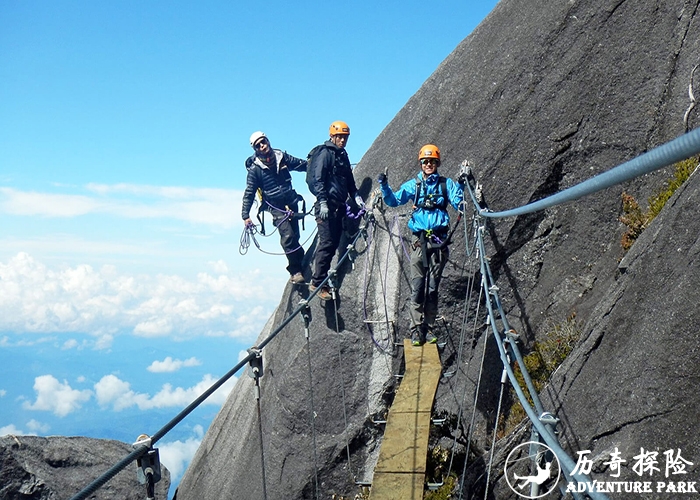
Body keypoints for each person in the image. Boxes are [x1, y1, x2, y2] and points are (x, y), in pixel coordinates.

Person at [378, 144, 466, 346]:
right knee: (417, 287)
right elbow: (394, 201)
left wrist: (460, 200)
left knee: (433, 289)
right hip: (419, 242)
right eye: (425, 161)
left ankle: (429, 327)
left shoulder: (446, 184)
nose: (429, 164)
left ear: (437, 163)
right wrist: (384, 185)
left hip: (439, 241)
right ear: (421, 163)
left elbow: (456, 199)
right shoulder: (414, 185)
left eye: (432, 161)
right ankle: (417, 329)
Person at [306, 120, 364, 301]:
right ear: (332, 136)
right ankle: (317, 282)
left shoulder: (343, 155)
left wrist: (355, 195)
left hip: (338, 207)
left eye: (345, 137)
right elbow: (318, 179)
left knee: (333, 244)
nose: (343, 140)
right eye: (340, 137)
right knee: (327, 244)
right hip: (326, 207)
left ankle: (323, 279)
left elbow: (348, 179)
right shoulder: (326, 154)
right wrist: (322, 201)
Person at [242, 131, 307, 284]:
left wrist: (320, 166)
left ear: (268, 140)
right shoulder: (255, 170)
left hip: (291, 202)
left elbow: (301, 165)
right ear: (255, 150)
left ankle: (301, 258)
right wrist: (245, 215)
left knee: (295, 236)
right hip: (275, 207)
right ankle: (295, 270)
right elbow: (249, 192)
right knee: (288, 236)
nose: (262, 146)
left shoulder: (281, 157)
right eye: (258, 145)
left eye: (263, 142)